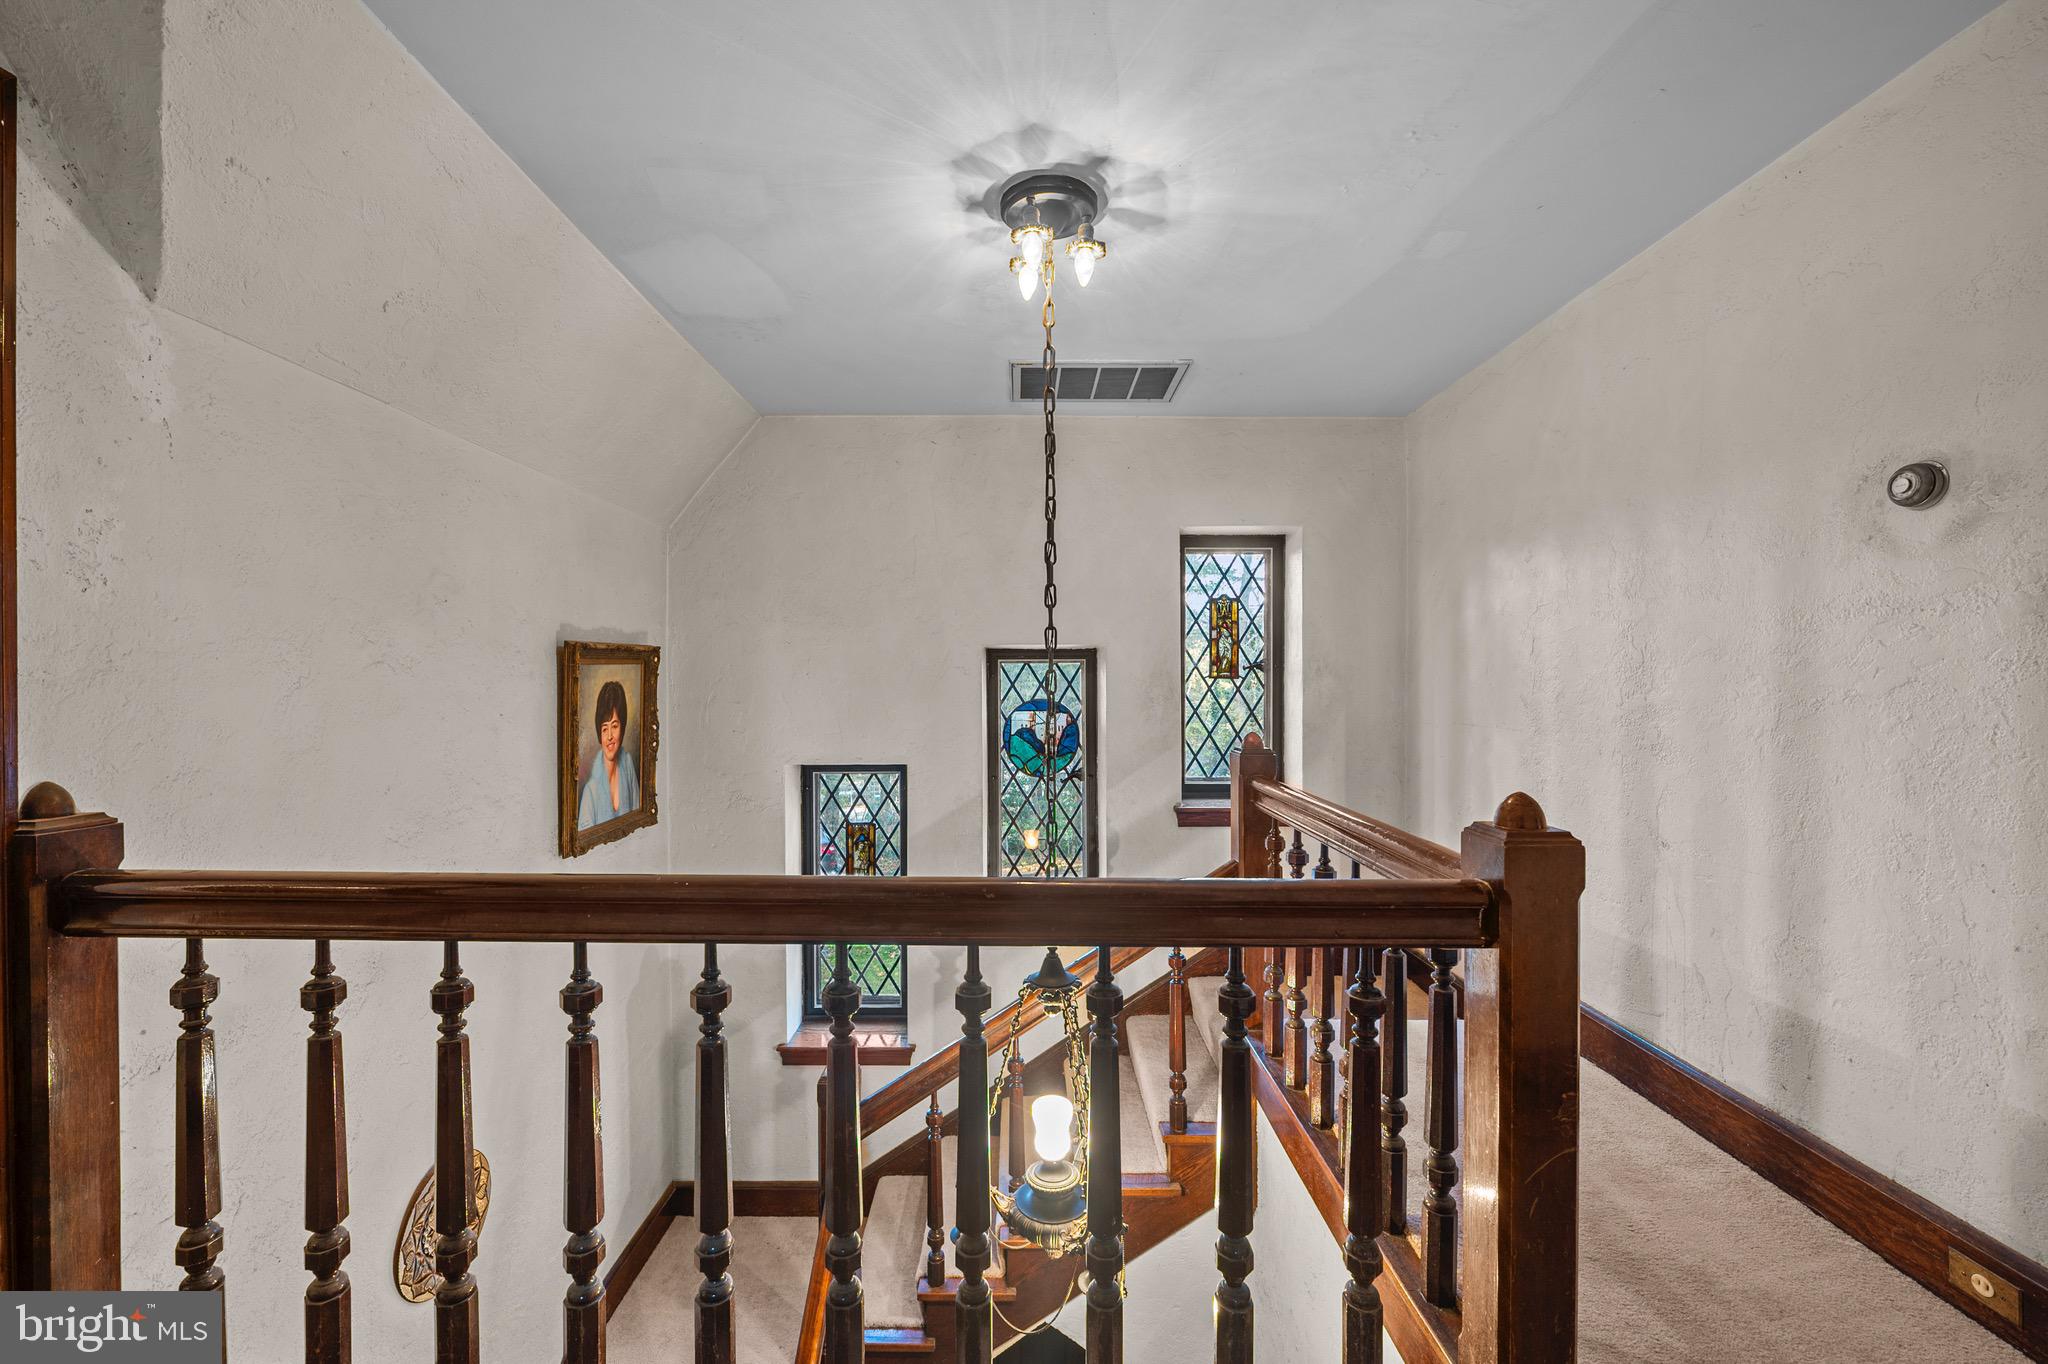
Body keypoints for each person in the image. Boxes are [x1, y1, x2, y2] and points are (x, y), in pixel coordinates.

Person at [577, 679, 640, 830]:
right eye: (605, 728)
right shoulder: (590, 792)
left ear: (622, 728)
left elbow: (638, 820)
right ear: (599, 733)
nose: (610, 736)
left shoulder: (627, 764)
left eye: (615, 726)